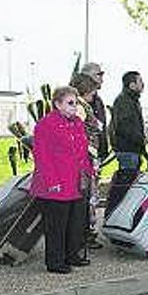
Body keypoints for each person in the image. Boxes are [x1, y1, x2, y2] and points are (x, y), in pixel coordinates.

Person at [30, 86, 94, 274]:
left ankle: (71, 255)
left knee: (75, 221)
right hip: (55, 183)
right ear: (57, 104)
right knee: (56, 225)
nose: (74, 107)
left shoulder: (77, 124)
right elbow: (42, 157)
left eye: (75, 103)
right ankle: (55, 261)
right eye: (70, 103)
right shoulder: (45, 125)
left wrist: (88, 172)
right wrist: (52, 182)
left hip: (74, 181)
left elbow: (83, 151)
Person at [69, 73, 105, 250]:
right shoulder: (81, 108)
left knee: (86, 198)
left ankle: (83, 234)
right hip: (86, 159)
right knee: (88, 198)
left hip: (86, 158)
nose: (94, 95)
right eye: (92, 91)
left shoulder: (77, 106)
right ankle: (85, 235)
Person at [111, 71, 146, 171]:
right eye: (140, 81)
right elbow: (125, 127)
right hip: (128, 150)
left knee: (131, 180)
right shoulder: (124, 101)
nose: (143, 84)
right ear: (132, 85)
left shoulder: (131, 100)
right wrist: (140, 139)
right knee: (128, 181)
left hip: (132, 149)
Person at [80, 62, 109, 161]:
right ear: (86, 76)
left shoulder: (98, 100)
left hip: (96, 155)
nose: (102, 79)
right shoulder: (73, 101)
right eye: (99, 74)